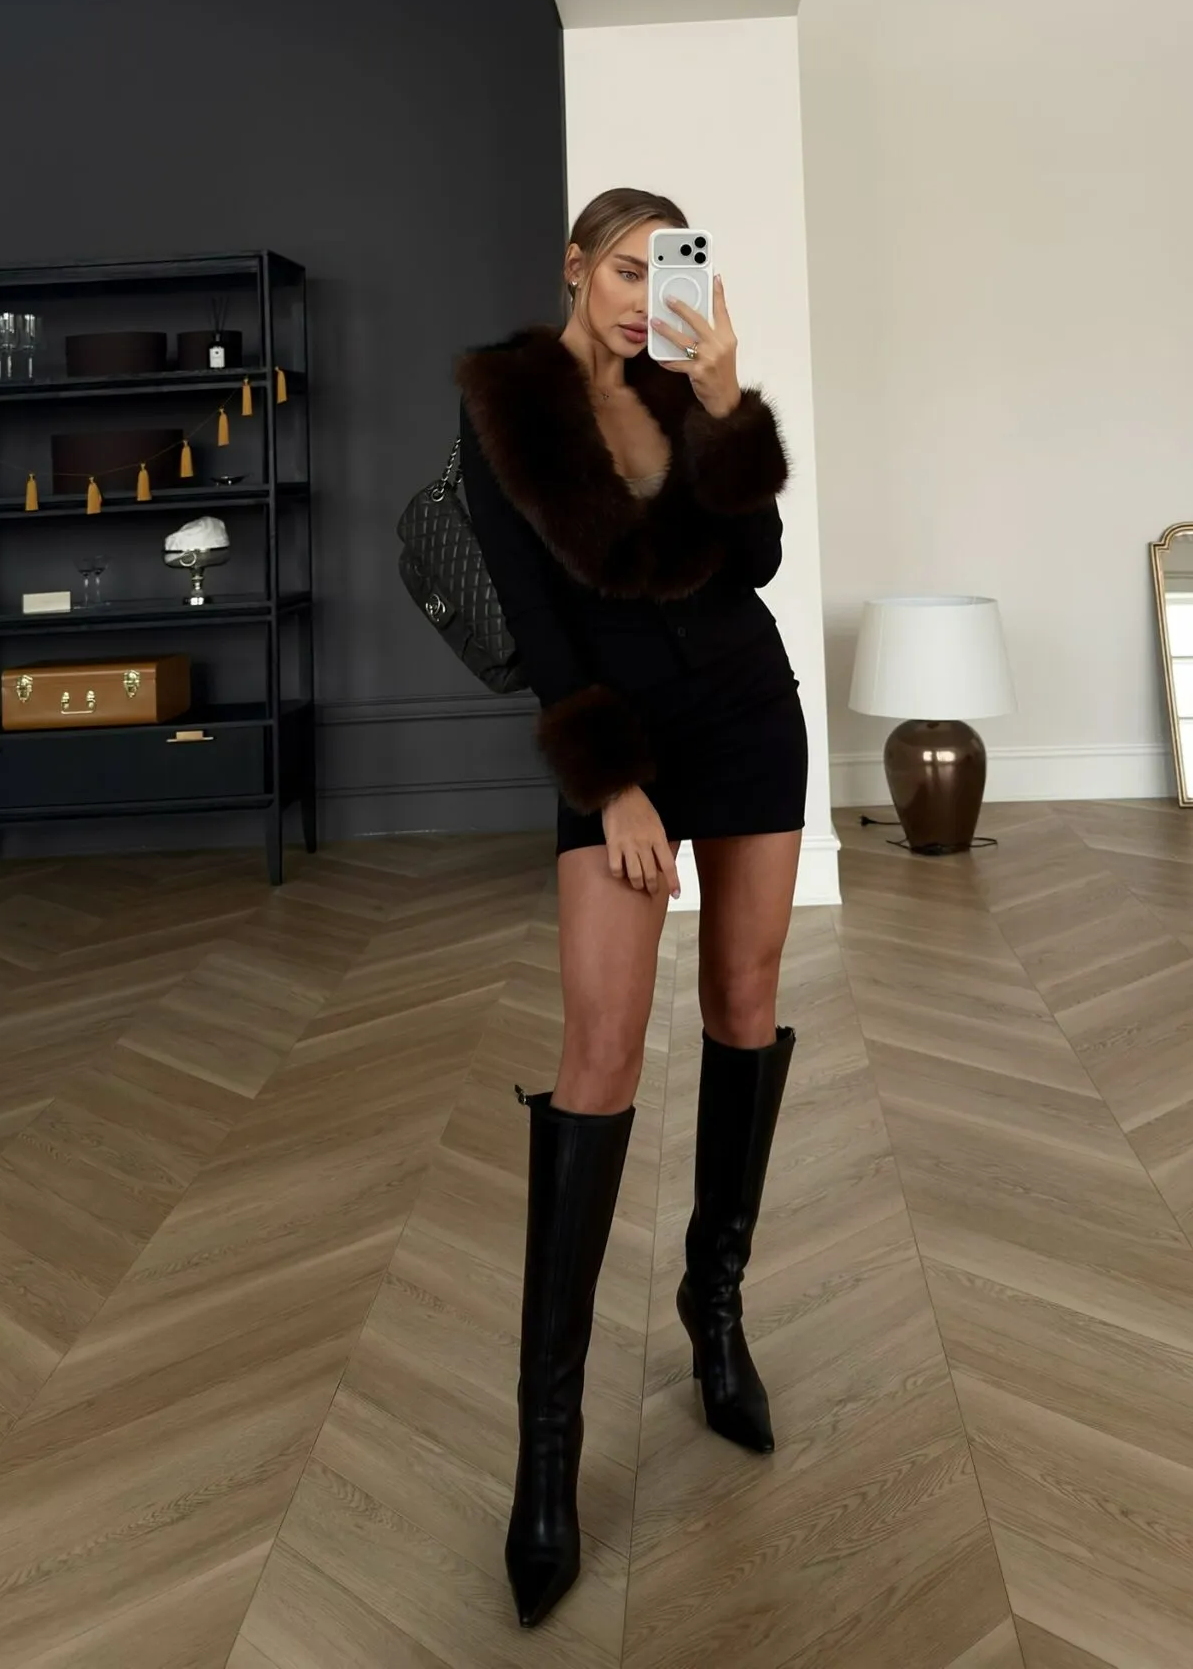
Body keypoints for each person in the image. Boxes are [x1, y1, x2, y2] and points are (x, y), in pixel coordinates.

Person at [455, 186, 806, 1628]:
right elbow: (543, 633)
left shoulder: (682, 382)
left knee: (745, 1001)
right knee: (598, 1054)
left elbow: (758, 565)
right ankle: (548, 1455)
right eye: (621, 267)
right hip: (618, 743)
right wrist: (610, 791)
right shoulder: (505, 407)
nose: (640, 292)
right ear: (574, 268)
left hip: (748, 715)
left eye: (667, 269)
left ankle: (713, 1313)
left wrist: (727, 409)